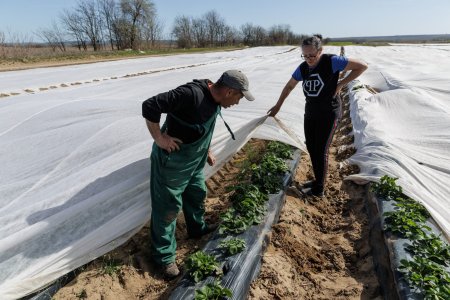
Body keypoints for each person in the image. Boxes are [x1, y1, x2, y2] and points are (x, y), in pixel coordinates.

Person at [142, 70, 254, 278]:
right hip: (173, 161)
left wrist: (207, 149)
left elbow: (204, 125)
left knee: (196, 193)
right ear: (229, 91)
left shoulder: (215, 98)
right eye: (239, 97)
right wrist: (159, 138)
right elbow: (150, 105)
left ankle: (197, 228)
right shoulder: (191, 94)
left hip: (194, 159)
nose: (238, 103)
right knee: (167, 208)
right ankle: (164, 258)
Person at [267, 34, 367, 197]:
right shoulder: (303, 68)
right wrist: (278, 106)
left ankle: (319, 189)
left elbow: (362, 66)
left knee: (321, 150)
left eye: (312, 55)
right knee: (311, 147)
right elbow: (289, 86)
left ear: (320, 51)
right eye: (305, 55)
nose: (309, 59)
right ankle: (317, 180)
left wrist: (341, 84)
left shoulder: (332, 61)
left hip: (329, 113)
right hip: (311, 112)